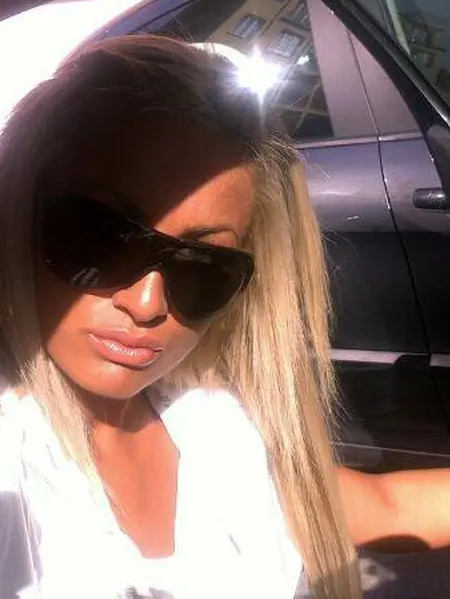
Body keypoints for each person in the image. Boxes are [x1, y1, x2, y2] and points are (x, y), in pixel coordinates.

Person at [0, 34, 449, 599]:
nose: (147, 304)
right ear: (17, 215)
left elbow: (379, 507)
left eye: (202, 266)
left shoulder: (205, 418)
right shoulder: (15, 466)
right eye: (99, 238)